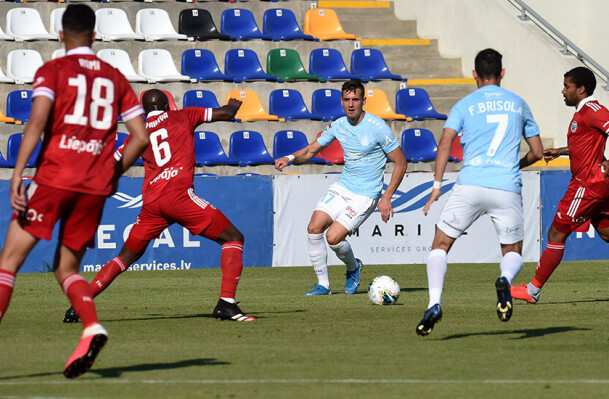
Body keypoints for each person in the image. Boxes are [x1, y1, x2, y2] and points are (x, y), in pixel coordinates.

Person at [0, 4, 148, 378]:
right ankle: (91, 327)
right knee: (67, 267)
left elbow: (37, 120)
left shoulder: (53, 70)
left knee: (8, 263)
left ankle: (91, 328)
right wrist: (112, 171)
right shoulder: (115, 77)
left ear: (61, 36)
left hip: (54, 177)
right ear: (95, 36)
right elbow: (140, 137)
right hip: (94, 185)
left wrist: (18, 172)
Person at [62, 89, 255, 323]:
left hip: (153, 204)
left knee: (124, 257)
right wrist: (233, 104)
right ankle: (226, 304)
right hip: (179, 197)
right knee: (233, 238)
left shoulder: (138, 135)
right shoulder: (184, 115)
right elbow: (225, 113)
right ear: (166, 105)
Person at [416, 48, 543, 336]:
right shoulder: (518, 104)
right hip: (506, 186)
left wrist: (437, 185)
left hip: (469, 185)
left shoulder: (465, 104)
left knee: (441, 244)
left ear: (474, 74)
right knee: (512, 250)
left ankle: (434, 303)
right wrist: (515, 164)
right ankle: (504, 281)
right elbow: (537, 152)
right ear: (502, 73)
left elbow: (446, 141)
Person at [511, 67, 609, 304]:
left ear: (581, 89)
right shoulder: (583, 112)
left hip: (587, 184)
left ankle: (533, 290)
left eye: (567, 86)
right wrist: (559, 151)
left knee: (556, 232)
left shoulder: (593, 110)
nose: (563, 90)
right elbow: (585, 145)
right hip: (596, 183)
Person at [275, 80, 407, 296]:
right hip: (343, 187)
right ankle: (324, 286)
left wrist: (386, 197)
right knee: (314, 228)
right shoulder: (338, 125)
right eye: (347, 100)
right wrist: (289, 158)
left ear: (364, 101)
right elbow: (310, 151)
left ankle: (353, 267)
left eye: (355, 99)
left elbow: (401, 162)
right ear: (342, 101)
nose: (351, 104)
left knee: (333, 238)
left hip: (365, 194)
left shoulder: (377, 127)